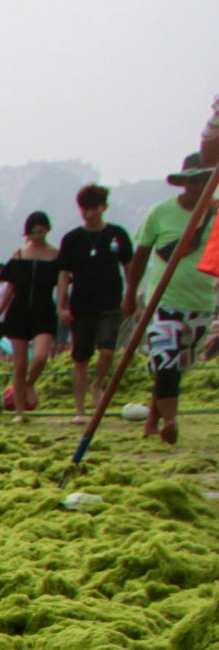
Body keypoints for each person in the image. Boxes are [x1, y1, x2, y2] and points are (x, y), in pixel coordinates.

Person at [126, 153, 217, 447]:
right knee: (165, 357)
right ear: (182, 183)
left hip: (201, 303)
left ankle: (152, 422)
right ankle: (170, 422)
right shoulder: (160, 212)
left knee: (176, 365)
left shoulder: (216, 214)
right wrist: (131, 294)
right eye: (191, 181)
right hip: (163, 301)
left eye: (203, 180)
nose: (196, 186)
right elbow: (140, 257)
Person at [57, 185, 135, 419]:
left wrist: (132, 297)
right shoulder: (72, 239)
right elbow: (63, 275)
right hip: (81, 305)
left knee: (107, 350)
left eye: (93, 209)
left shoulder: (117, 234)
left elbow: (129, 267)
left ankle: (98, 384)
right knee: (80, 357)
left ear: (103, 207)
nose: (89, 214)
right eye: (84, 209)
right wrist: (61, 307)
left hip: (111, 303)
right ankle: (80, 409)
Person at [0, 212, 60, 415]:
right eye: (32, 233)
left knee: (40, 357)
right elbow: (11, 288)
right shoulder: (19, 254)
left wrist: (63, 306)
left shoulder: (56, 255)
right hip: (19, 310)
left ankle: (29, 385)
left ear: (47, 230)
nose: (37, 236)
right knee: (20, 365)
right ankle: (20, 411)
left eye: (40, 232)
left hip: (45, 310)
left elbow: (63, 283)